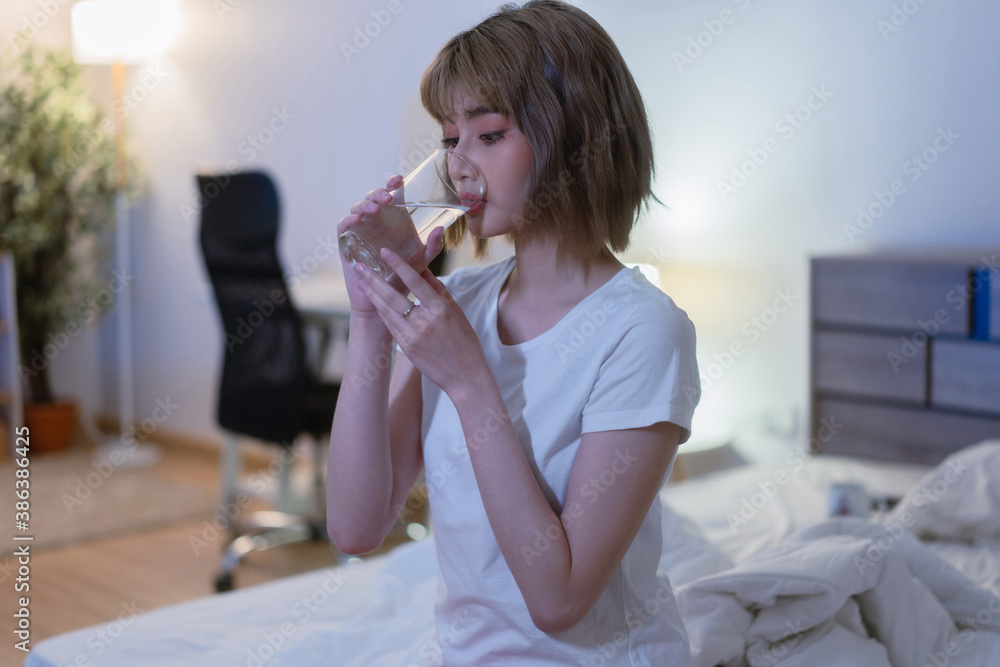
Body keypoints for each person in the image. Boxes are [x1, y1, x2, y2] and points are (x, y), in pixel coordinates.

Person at [327, 1, 701, 664]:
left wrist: (472, 382)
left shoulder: (644, 331)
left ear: (574, 135)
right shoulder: (461, 301)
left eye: (489, 134)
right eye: (449, 139)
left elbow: (558, 600)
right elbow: (356, 527)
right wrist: (370, 314)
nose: (460, 164)